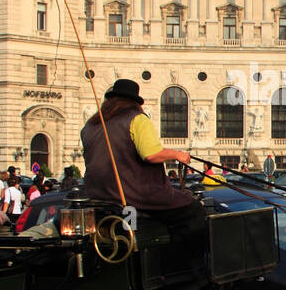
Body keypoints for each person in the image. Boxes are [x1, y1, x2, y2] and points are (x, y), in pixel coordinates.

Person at [81, 78, 204, 275]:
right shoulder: (136, 119)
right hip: (136, 196)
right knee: (193, 212)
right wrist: (177, 155)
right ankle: (180, 271)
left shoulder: (90, 125)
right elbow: (150, 154)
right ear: (135, 102)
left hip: (99, 196)